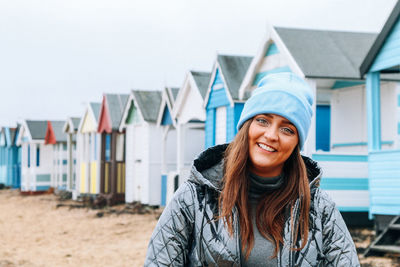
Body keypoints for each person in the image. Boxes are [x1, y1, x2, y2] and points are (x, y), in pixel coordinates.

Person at [145, 72, 360, 266]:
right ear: (247, 126)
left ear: (297, 143)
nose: (271, 135)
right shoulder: (194, 199)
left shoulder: (319, 209)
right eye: (263, 120)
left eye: (287, 129)